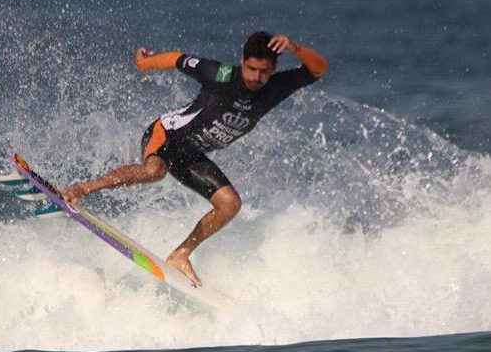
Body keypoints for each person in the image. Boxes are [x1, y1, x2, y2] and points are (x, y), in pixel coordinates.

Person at [62, 32, 328, 287]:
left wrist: (295, 47)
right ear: (243, 61)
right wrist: (144, 63)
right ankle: (81, 189)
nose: (257, 77)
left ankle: (180, 255)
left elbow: (318, 69)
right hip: (166, 134)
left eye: (264, 71)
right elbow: (178, 58)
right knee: (154, 171)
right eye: (251, 68)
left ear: (273, 69)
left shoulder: (276, 87)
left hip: (190, 154)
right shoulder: (221, 75)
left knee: (230, 204)